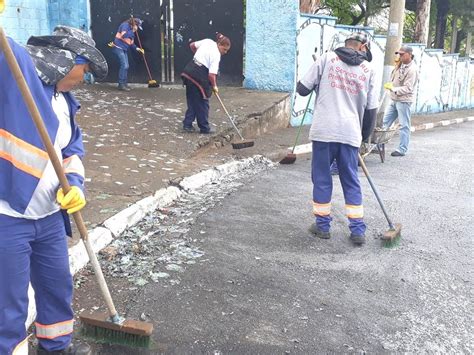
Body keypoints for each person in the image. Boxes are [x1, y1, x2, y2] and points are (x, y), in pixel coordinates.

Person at [0, 25, 107, 354]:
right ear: (68, 61)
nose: (84, 78)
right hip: (8, 216)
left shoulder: (67, 102)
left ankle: (56, 348)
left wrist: (75, 185)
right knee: (9, 306)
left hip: (48, 218)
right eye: (85, 69)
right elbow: (8, 49)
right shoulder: (20, 80)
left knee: (56, 292)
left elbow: (72, 150)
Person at [296, 32, 378, 245]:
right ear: (363, 47)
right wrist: (363, 138)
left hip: (324, 131)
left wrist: (318, 83)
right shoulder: (369, 70)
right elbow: (371, 111)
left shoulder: (326, 59)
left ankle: (322, 226)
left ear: (346, 45)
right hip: (350, 133)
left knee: (322, 178)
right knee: (351, 181)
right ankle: (358, 230)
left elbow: (302, 89)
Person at [181, 32, 231, 134]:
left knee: (193, 100)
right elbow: (211, 75)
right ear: (219, 45)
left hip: (188, 72)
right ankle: (204, 128)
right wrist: (214, 87)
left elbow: (192, 45)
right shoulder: (216, 55)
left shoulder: (207, 41)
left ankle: (187, 124)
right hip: (198, 76)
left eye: (227, 50)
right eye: (224, 49)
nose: (225, 52)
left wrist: (198, 56)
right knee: (203, 102)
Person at [382, 45, 418, 157]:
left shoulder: (412, 69)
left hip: (404, 101)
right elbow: (394, 79)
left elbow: (408, 88)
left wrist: (394, 89)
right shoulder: (399, 65)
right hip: (394, 99)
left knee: (404, 125)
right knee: (384, 123)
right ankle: (378, 145)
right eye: (399, 54)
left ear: (409, 55)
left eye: (402, 54)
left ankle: (402, 149)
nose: (400, 56)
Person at [111, 17, 145, 91]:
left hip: (124, 49)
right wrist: (132, 30)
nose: (137, 29)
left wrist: (138, 49)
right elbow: (124, 35)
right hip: (118, 47)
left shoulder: (132, 33)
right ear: (134, 24)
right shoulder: (125, 25)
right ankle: (121, 84)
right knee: (124, 65)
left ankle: (124, 84)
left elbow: (131, 44)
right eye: (137, 26)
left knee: (126, 66)